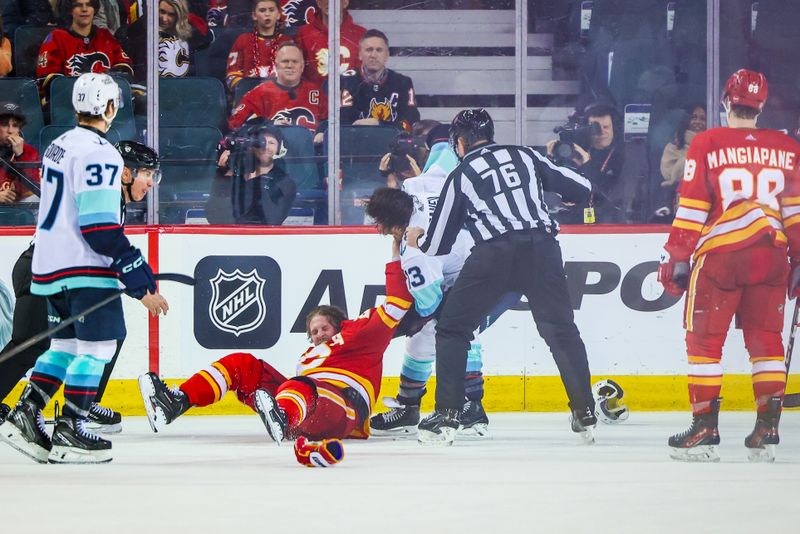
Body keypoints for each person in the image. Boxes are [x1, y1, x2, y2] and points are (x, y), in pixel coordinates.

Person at [0, 73, 167, 464]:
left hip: (48, 262)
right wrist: (138, 277)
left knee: (64, 345)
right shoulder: (102, 153)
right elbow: (99, 228)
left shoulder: (59, 144)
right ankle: (72, 428)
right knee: (99, 346)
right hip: (83, 265)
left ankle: (27, 412)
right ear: (108, 107)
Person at [138, 235, 412, 465]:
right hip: (302, 407)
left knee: (303, 386)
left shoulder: (358, 335)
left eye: (324, 328)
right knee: (242, 364)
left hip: (345, 410)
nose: (318, 335)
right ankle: (177, 402)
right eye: (313, 332)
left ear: (339, 326)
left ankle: (284, 415)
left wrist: (397, 247)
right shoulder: (308, 359)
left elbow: (397, 302)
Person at [414, 109, 597, 445]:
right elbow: (582, 187)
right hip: (542, 249)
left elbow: (438, 243)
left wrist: (416, 238)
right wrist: (571, 197)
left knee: (453, 328)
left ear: (461, 141)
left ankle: (448, 414)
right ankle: (584, 410)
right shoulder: (525, 155)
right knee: (561, 330)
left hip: (495, 254)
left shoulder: (462, 172)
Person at [657, 69, 800, 463]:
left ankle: (704, 428)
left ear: (725, 101)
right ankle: (767, 427)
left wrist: (678, 255)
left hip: (721, 256)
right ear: (762, 105)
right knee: (767, 341)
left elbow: (692, 206)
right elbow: (795, 209)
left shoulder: (708, 142)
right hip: (772, 256)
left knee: (704, 343)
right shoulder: (786, 147)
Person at [365, 129, 489, 437]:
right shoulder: (418, 184)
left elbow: (430, 304)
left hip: (475, 274)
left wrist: (406, 321)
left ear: (389, 226)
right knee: (446, 329)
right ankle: (422, 405)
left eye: (380, 227)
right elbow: (448, 154)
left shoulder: (415, 251)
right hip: (485, 256)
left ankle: (468, 405)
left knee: (441, 328)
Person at [36, 0, 134, 104]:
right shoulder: (56, 38)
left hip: (106, 104)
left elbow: (125, 68)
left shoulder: (105, 36)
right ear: (70, 10)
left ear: (94, 9)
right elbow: (49, 81)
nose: (84, 9)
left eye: (89, 5)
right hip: (68, 106)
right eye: (78, 5)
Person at [546, 103, 625, 224]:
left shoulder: (623, 155)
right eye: (596, 128)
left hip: (608, 223)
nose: (601, 132)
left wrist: (587, 163)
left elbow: (608, 196)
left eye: (606, 127)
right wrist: (550, 160)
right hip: (573, 222)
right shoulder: (575, 151)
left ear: (615, 128)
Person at [229, 41, 326, 131]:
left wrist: (321, 132)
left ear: (302, 66)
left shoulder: (316, 92)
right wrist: (268, 125)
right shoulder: (259, 94)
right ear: (276, 66)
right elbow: (235, 125)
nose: (290, 65)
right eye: (285, 61)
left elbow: (332, 122)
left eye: (295, 61)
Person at [340, 29, 420, 131]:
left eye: (379, 50)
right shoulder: (345, 81)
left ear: (387, 55)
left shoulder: (403, 83)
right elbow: (341, 121)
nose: (373, 55)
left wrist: (379, 123)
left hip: (392, 144)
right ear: (360, 54)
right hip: (356, 142)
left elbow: (410, 124)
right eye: (369, 50)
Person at [221, 124, 298, 225]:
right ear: (251, 145)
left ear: (279, 148)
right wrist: (223, 172)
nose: (265, 146)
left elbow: (271, 217)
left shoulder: (284, 182)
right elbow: (215, 215)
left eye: (271, 143)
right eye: (260, 141)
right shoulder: (236, 175)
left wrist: (252, 181)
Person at [225, 0, 293, 92]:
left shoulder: (287, 41)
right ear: (254, 15)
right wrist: (246, 89)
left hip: (280, 95)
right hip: (248, 96)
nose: (267, 14)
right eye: (262, 10)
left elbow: (294, 74)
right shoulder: (243, 40)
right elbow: (231, 75)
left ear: (278, 14)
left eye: (271, 10)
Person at [294, 0, 365, 87]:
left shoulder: (360, 34)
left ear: (345, 2)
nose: (330, 2)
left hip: (350, 96)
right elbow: (298, 71)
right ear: (318, 2)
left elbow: (364, 73)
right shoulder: (304, 33)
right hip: (315, 96)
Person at [157, 0, 213, 78]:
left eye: (171, 14)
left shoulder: (190, 34)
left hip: (184, 85)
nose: (164, 19)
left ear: (179, 15)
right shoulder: (145, 34)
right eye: (162, 12)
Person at [0, 102, 40, 203]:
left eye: (15, 125)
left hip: (19, 212)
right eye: (4, 125)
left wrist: (21, 155)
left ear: (19, 129)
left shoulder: (29, 151)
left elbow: (34, 190)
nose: (10, 131)